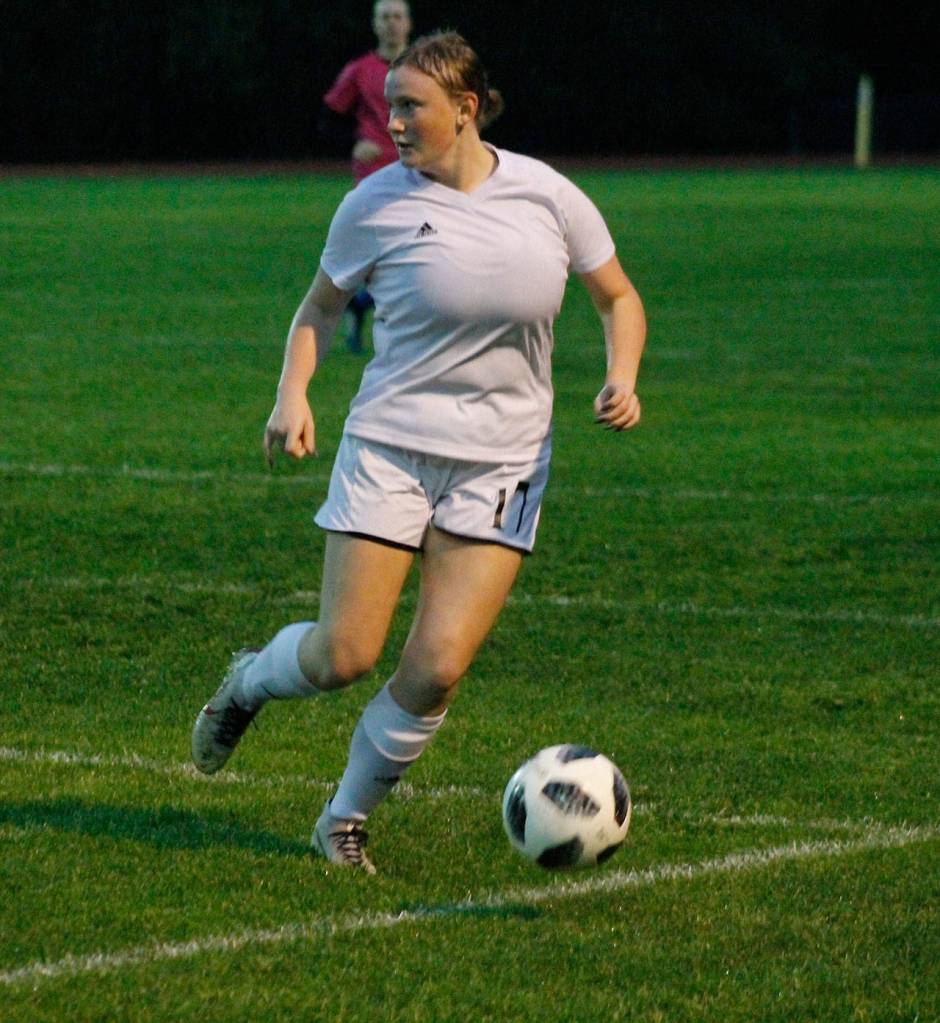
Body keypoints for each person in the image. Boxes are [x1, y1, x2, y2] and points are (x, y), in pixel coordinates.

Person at [192, 30, 647, 875]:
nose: (393, 122)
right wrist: (292, 394)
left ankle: (342, 820)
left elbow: (618, 297)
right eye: (392, 104)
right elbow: (319, 310)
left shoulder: (548, 196)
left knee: (436, 668)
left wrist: (622, 375)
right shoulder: (374, 203)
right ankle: (250, 679)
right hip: (392, 448)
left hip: (504, 463)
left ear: (467, 110)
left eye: (412, 106)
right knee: (345, 655)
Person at [321, 0, 412, 353]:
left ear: (408, 23)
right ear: (375, 24)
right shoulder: (359, 70)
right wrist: (355, 143)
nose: (391, 24)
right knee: (390, 250)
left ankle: (361, 305)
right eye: (385, 17)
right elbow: (326, 122)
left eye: (397, 17)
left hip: (417, 169)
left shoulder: (424, 69)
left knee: (409, 249)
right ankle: (384, 320)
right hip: (374, 176)